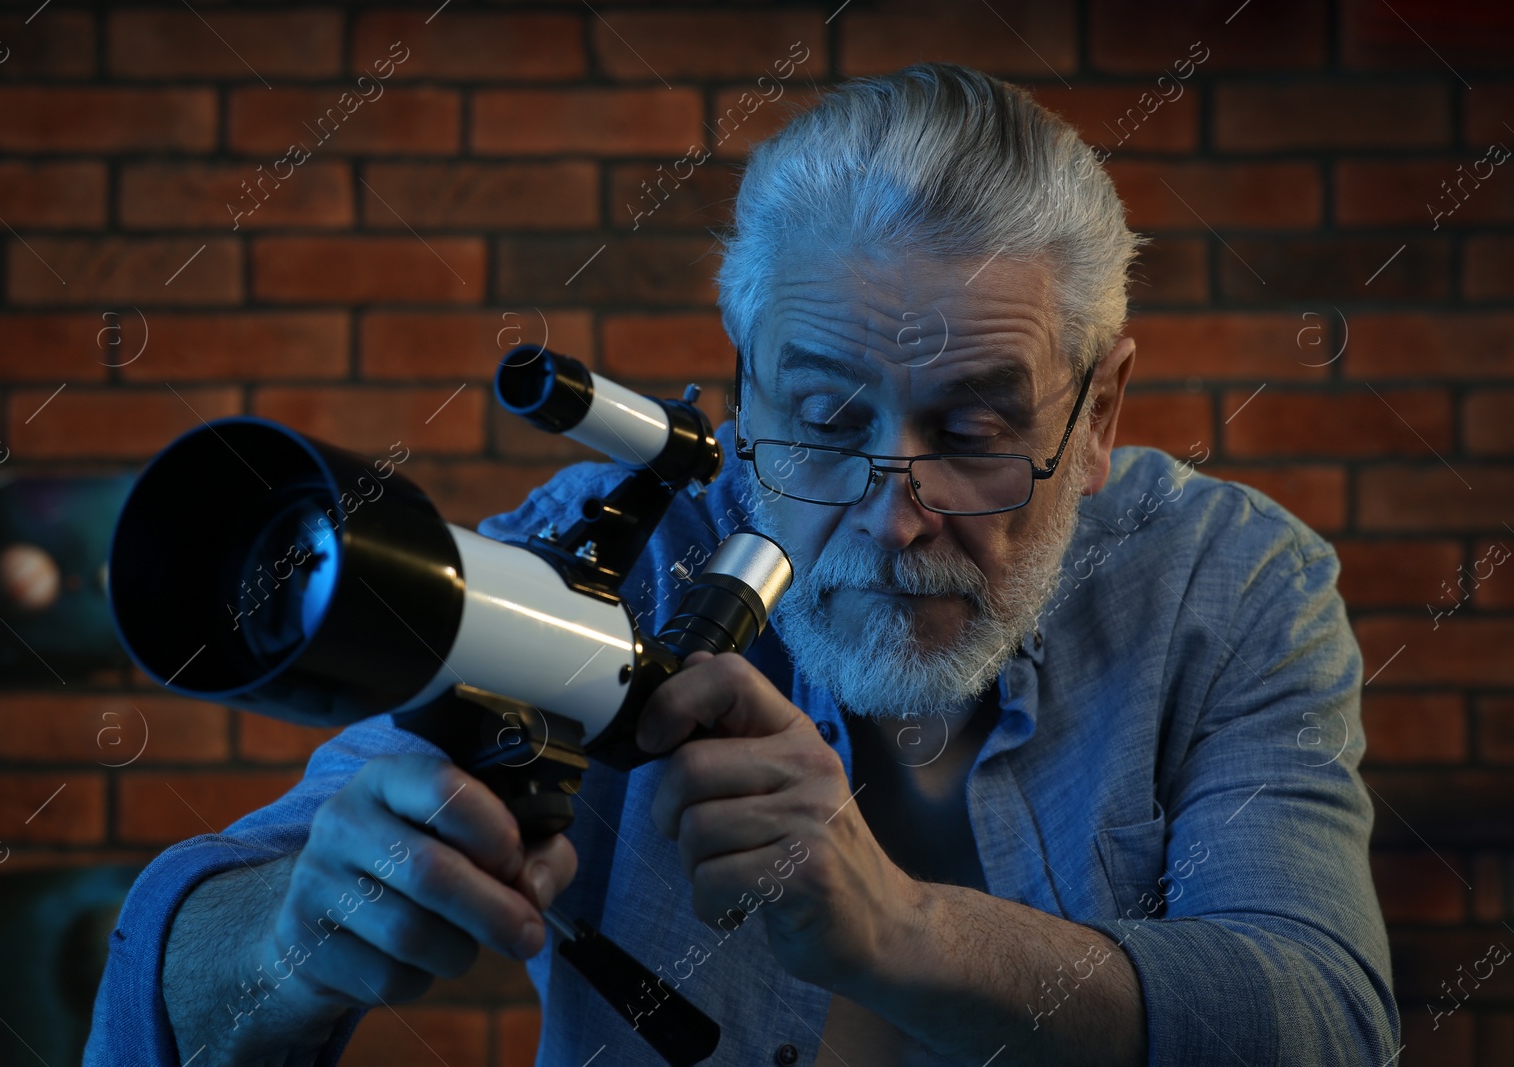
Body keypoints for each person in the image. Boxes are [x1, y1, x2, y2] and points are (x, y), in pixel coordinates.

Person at [86, 63, 1400, 1066]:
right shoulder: (608, 554)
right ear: (741, 389)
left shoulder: (1232, 585)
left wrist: (899, 932)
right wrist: (294, 938)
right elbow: (155, 980)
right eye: (824, 425)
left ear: (1099, 415)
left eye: (978, 430)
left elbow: (1328, 1019)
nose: (898, 516)